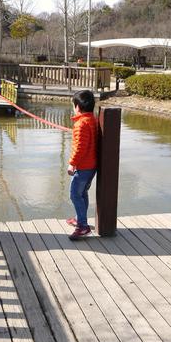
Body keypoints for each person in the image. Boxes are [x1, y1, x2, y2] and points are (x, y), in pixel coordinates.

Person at [66, 90, 98, 240]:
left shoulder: (81, 124)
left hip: (83, 167)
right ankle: (81, 220)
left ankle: (83, 226)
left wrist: (72, 164)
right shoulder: (92, 119)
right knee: (82, 193)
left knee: (74, 194)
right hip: (91, 166)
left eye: (73, 105)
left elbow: (80, 147)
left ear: (77, 106)